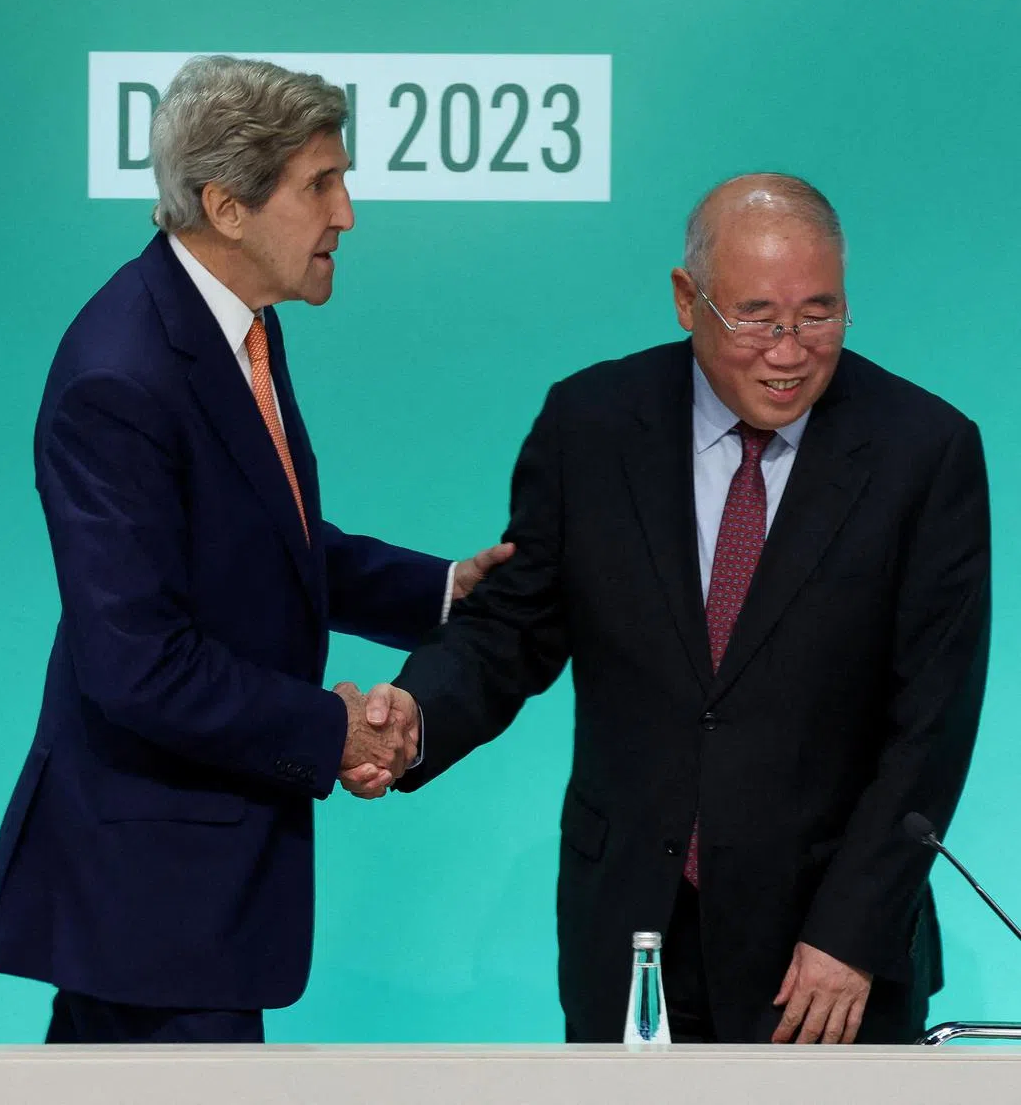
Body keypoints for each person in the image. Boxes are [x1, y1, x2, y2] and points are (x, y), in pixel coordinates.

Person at [353, 174, 991, 1044]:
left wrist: (852, 934)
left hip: (824, 956)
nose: (789, 351)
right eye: (758, 317)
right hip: (630, 933)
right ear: (688, 300)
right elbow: (513, 628)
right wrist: (415, 718)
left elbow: (932, 723)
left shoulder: (924, 450)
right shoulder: (591, 424)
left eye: (819, 315)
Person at [0, 54, 511, 1045]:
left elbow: (266, 544)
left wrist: (440, 590)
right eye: (321, 185)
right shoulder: (120, 376)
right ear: (226, 206)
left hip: (182, 898)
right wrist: (333, 730)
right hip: (152, 900)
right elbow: (138, 665)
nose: (347, 214)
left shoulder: (233, 324)